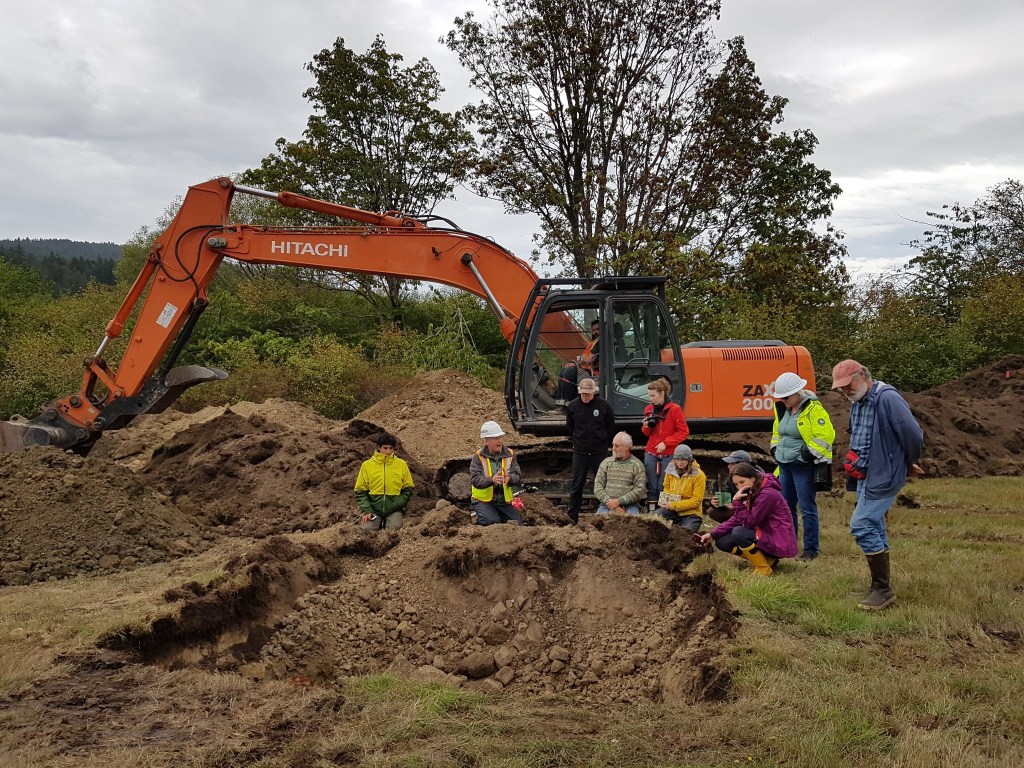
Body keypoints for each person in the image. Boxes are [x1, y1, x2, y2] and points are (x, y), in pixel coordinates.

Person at [832, 359, 924, 610]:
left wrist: (908, 461)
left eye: (847, 384)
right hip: (865, 473)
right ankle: (879, 587)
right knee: (875, 525)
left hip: (884, 474)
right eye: (840, 387)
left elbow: (913, 434)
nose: (844, 390)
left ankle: (883, 589)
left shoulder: (887, 398)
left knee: (861, 524)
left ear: (861, 375)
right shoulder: (860, 401)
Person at [770, 371, 836, 561]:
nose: (783, 401)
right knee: (786, 507)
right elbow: (777, 431)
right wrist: (775, 448)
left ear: (797, 393)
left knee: (807, 508)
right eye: (781, 398)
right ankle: (789, 546)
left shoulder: (814, 409)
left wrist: (808, 454)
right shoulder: (782, 409)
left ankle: (810, 550)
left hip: (802, 466)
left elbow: (826, 435)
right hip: (784, 465)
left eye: (786, 397)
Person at [699, 462, 797, 576]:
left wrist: (737, 503)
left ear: (753, 478)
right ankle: (764, 560)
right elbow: (737, 519)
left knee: (739, 532)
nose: (739, 487)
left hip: (778, 539)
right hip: (766, 534)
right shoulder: (754, 490)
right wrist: (712, 534)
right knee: (722, 542)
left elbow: (750, 522)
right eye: (736, 484)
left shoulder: (768, 494)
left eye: (742, 482)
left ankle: (763, 568)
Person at [565, 376, 616, 524]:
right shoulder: (573, 406)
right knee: (577, 484)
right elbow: (570, 427)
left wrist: (602, 441)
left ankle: (608, 514)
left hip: (598, 451)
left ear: (594, 392)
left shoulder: (603, 406)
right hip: (580, 451)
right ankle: (572, 516)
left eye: (588, 393)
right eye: (582, 393)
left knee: (604, 483)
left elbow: (610, 426)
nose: (585, 396)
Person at [640, 377, 689, 510]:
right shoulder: (649, 409)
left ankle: (663, 513)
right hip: (651, 451)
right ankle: (652, 513)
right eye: (649, 395)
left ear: (662, 393)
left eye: (653, 396)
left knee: (664, 485)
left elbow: (683, 432)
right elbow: (646, 433)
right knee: (651, 485)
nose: (650, 399)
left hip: (669, 453)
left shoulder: (675, 409)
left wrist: (666, 443)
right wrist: (645, 426)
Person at [354, 432, 415, 533]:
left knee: (394, 530)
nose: (388, 451)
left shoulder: (401, 464)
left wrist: (398, 503)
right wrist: (367, 510)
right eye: (385, 448)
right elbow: (360, 491)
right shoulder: (367, 465)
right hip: (374, 509)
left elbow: (408, 488)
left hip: (394, 509)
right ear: (378, 447)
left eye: (391, 448)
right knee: (366, 529)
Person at [470, 420, 524, 526]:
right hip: (484, 501)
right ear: (486, 441)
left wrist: (510, 479)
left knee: (517, 523)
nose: (499, 441)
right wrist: (491, 480)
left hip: (503, 501)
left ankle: (495, 515)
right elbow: (475, 479)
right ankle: (480, 516)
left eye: (500, 437)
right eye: (495, 438)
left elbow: (517, 475)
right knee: (491, 522)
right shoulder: (478, 457)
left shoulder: (510, 454)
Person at [708, 450, 782, 523]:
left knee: (739, 529)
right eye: (736, 484)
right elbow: (728, 498)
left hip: (755, 512)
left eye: (732, 463)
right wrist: (715, 502)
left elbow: (758, 506)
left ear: (741, 465)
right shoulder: (732, 478)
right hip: (740, 508)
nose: (728, 466)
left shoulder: (759, 479)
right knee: (713, 511)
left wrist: (738, 505)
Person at [654, 444, 706, 532]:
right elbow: (667, 487)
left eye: (683, 459)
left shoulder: (699, 475)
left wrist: (674, 505)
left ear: (689, 460)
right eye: (677, 459)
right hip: (672, 510)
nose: (680, 462)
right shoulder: (670, 469)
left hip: (691, 512)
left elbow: (696, 501)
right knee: (654, 519)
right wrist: (667, 500)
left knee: (685, 533)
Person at [593, 432, 647, 515]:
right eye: (613, 445)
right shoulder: (606, 463)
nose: (613, 448)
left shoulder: (637, 465)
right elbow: (598, 486)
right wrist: (610, 503)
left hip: (630, 506)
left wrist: (619, 501)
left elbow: (640, 490)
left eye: (617, 446)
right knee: (596, 526)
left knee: (633, 526)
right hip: (606, 505)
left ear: (627, 447)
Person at [557, 318, 601, 404]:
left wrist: (576, 363)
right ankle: (560, 401)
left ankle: (569, 403)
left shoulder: (601, 342)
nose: (595, 332)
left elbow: (589, 359)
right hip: (586, 367)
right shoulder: (594, 342)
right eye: (593, 330)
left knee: (569, 372)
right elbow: (585, 358)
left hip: (594, 371)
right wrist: (576, 362)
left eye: (598, 329)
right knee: (562, 371)